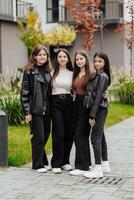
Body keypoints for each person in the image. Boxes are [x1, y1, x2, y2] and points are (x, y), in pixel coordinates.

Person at [20, 45, 52, 173]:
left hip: (47, 108)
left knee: (46, 133)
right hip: (35, 109)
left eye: (44, 54)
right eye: (40, 55)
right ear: (34, 56)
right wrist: (27, 112)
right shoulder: (29, 71)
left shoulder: (48, 70)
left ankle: (43, 161)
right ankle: (37, 164)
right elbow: (24, 93)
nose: (42, 57)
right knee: (38, 137)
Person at [83, 52, 111, 178]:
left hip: (99, 109)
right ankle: (105, 164)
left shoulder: (103, 76)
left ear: (105, 62)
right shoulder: (97, 75)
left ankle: (98, 169)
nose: (97, 63)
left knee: (95, 138)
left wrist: (92, 115)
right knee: (101, 136)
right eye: (95, 61)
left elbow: (99, 96)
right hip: (99, 108)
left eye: (100, 61)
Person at [50, 48, 74, 174]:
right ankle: (56, 163)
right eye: (60, 56)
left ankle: (65, 162)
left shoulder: (72, 73)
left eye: (65, 56)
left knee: (69, 133)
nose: (62, 58)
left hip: (69, 102)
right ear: (57, 59)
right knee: (59, 133)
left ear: (68, 59)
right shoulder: (52, 72)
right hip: (56, 103)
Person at [69, 50, 93, 176]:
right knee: (79, 135)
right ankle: (86, 163)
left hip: (86, 105)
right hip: (76, 104)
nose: (79, 61)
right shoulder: (76, 74)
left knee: (80, 135)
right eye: (77, 59)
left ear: (86, 59)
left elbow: (97, 90)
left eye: (81, 59)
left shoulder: (91, 75)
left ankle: (81, 167)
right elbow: (74, 89)